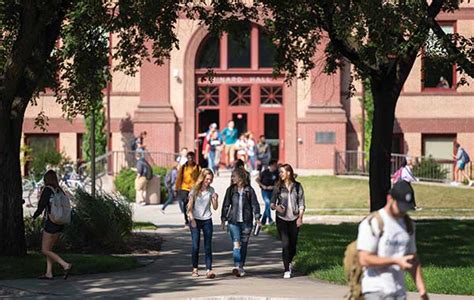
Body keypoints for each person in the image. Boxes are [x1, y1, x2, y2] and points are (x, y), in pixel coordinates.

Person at [357, 181, 428, 300]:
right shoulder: (373, 222)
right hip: (375, 290)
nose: (402, 212)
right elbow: (364, 259)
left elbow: (413, 260)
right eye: (400, 207)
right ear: (390, 198)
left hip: (398, 292)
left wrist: (422, 291)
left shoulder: (408, 225)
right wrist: (395, 261)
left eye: (405, 208)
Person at [221, 167, 261, 277]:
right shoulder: (231, 190)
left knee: (244, 245)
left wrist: (257, 217)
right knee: (236, 244)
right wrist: (223, 218)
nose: (232, 178)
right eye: (232, 176)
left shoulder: (249, 190)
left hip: (247, 222)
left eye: (234, 176)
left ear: (241, 177)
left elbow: (255, 205)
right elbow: (226, 205)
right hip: (233, 222)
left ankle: (241, 266)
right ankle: (237, 266)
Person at [33, 170, 73, 280]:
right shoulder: (59, 190)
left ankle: (65, 265)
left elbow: (41, 206)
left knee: (44, 250)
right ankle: (48, 273)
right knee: (49, 249)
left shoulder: (47, 190)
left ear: (46, 179)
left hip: (51, 223)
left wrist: (35, 216)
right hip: (60, 223)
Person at [270, 164, 305, 279]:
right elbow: (271, 203)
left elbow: (301, 203)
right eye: (279, 172)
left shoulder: (298, 187)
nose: (280, 174)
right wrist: (276, 207)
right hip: (282, 219)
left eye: (282, 172)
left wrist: (300, 217)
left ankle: (289, 261)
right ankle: (286, 270)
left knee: (293, 245)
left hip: (294, 218)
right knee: (285, 244)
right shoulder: (278, 186)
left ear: (288, 173)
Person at [187, 168, 219, 278]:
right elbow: (189, 207)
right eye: (207, 179)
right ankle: (195, 269)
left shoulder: (211, 190)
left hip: (207, 220)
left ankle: (209, 269)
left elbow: (215, 208)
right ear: (202, 178)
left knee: (208, 246)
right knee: (195, 246)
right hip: (195, 219)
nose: (209, 181)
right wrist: (192, 220)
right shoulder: (194, 190)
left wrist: (215, 199)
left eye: (210, 179)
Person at [176, 152, 201, 226]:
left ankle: (193, 217)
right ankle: (186, 219)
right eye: (189, 158)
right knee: (185, 203)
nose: (190, 159)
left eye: (192, 158)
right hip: (184, 187)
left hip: (194, 188)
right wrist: (177, 188)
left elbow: (201, 177)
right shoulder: (183, 167)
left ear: (194, 158)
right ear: (187, 158)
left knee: (194, 204)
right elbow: (179, 178)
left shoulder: (197, 167)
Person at [256, 159, 279, 225]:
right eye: (274, 166)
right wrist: (263, 186)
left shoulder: (276, 173)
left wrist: (274, 187)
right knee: (268, 203)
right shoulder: (265, 172)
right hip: (265, 191)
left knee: (267, 205)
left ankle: (263, 220)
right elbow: (257, 180)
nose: (275, 167)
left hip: (272, 192)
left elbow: (278, 182)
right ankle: (270, 219)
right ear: (270, 166)